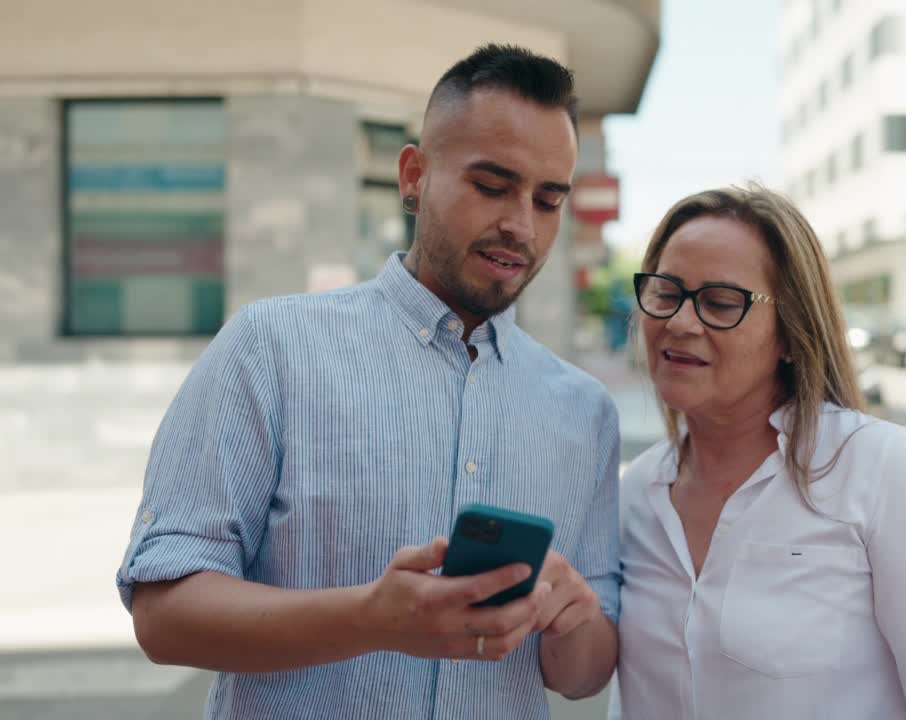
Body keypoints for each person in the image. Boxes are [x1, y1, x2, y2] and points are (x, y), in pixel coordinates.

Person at [117, 45, 621, 719]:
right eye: (492, 186)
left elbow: (585, 676)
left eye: (548, 199)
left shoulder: (584, 412)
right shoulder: (272, 348)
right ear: (413, 175)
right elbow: (163, 614)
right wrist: (372, 619)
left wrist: (573, 619)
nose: (521, 225)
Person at [610, 186, 906, 719]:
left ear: (791, 334)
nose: (681, 323)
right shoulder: (638, 492)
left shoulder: (883, 470)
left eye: (720, 303)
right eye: (666, 293)